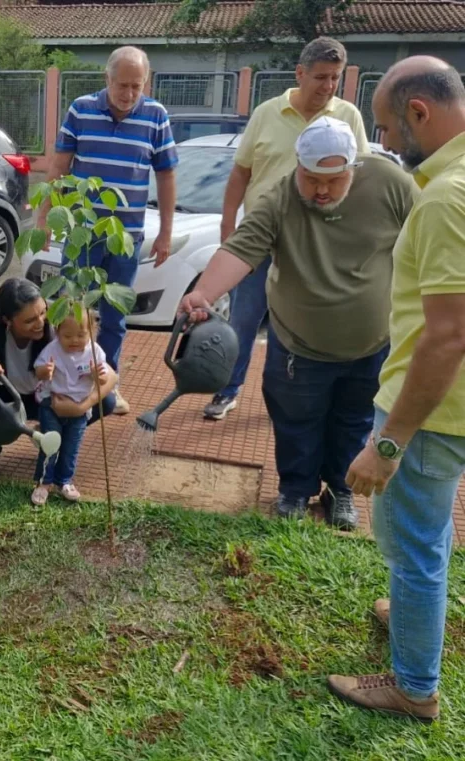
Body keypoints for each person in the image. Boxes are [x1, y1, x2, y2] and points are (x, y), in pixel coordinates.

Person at [179, 117, 418, 529]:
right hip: (299, 346)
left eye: (333, 179)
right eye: (311, 179)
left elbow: (426, 233)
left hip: (372, 343)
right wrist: (203, 293)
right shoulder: (279, 198)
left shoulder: (390, 183)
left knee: (354, 420)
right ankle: (295, 488)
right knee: (295, 422)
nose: (321, 190)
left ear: (352, 168)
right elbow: (240, 249)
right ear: (298, 167)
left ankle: (340, 491)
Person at [327, 57, 465, 724]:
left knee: (413, 542)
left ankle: (414, 686)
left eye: (386, 128)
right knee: (424, 532)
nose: (383, 144)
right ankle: (410, 611)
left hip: (433, 407)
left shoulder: (445, 198)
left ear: (420, 113)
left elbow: (446, 336)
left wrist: (388, 441)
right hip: (447, 403)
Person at [203, 36, 371, 422]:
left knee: (298, 329)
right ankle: (227, 390)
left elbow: (359, 178)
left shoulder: (348, 118)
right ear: (300, 74)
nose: (328, 87)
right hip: (261, 241)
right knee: (244, 319)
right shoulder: (266, 113)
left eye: (335, 78)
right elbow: (240, 173)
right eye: (321, 77)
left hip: (316, 246)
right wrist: (228, 226)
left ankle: (289, 398)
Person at [38, 45, 178, 417]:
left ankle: (106, 388)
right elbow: (60, 166)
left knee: (115, 317)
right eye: (122, 85)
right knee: (70, 309)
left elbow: (165, 176)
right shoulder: (81, 110)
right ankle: (63, 383)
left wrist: (165, 231)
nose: (130, 94)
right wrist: (44, 216)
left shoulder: (155, 116)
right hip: (83, 232)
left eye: (137, 86)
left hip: (126, 235)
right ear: (107, 79)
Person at [0, 278, 118, 482]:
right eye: (29, 320)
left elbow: (112, 377)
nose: (41, 323)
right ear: (7, 320)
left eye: (43, 312)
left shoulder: (57, 325)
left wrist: (80, 407)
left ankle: (45, 430)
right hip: (1, 397)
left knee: (106, 401)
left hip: (40, 397)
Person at [30, 310, 115, 506]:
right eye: (67, 336)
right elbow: (38, 370)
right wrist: (46, 371)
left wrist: (96, 376)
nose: (74, 340)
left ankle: (65, 480)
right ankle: (43, 483)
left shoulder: (95, 351)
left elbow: (104, 379)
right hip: (52, 403)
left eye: (81, 335)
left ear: (92, 331)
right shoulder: (52, 350)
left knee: (71, 446)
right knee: (51, 445)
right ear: (57, 332)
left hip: (79, 407)